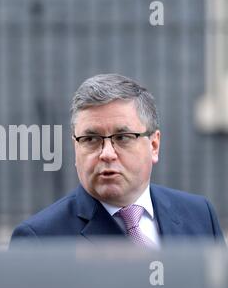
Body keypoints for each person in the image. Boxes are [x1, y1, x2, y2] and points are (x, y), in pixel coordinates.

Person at [11, 73, 225, 248]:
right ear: (76, 146)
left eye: (122, 138)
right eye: (91, 139)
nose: (107, 153)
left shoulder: (200, 216)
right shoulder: (39, 240)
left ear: (154, 145)